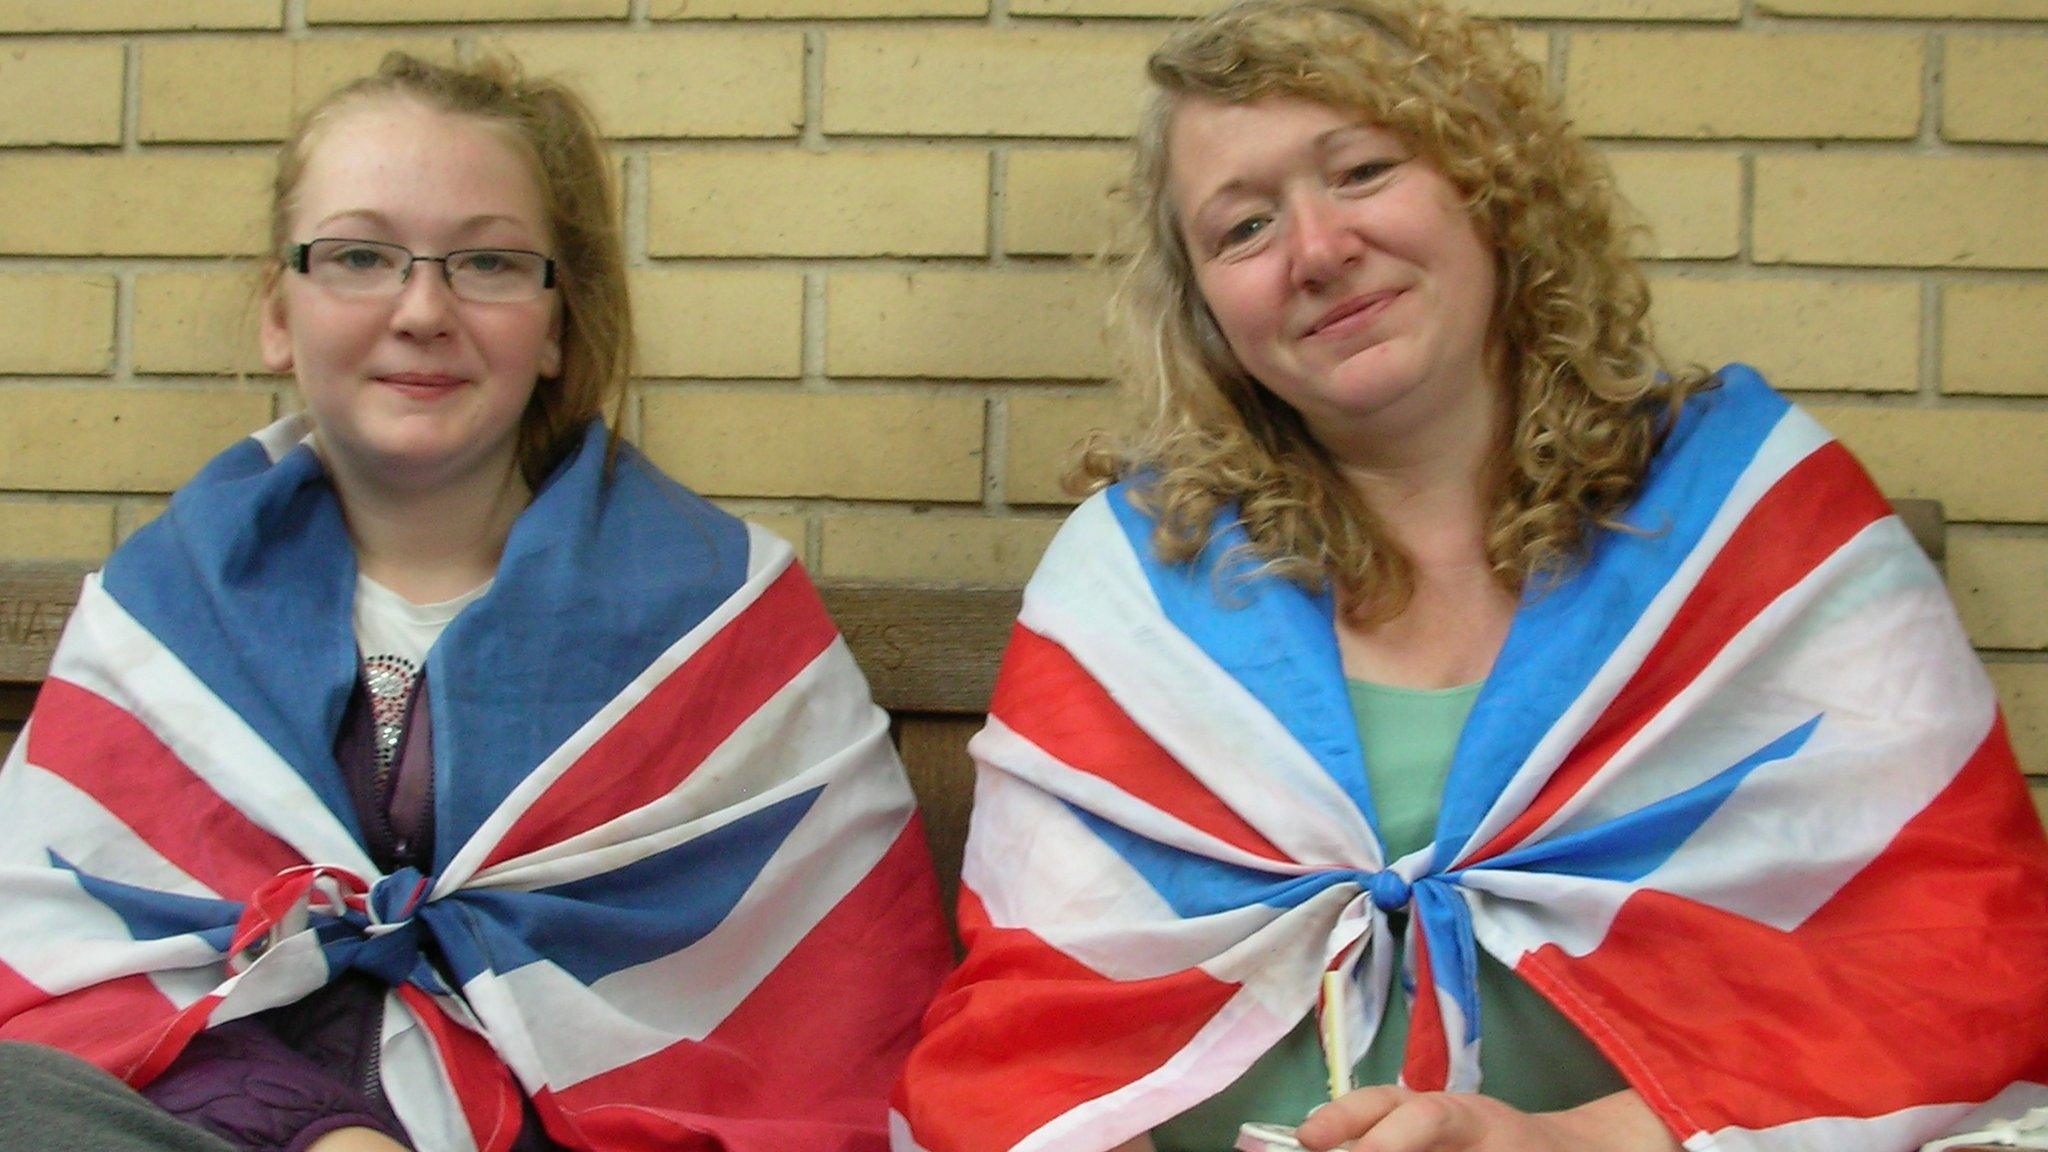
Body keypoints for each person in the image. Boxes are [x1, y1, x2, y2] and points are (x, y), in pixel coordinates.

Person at [892, 2, 2048, 1150]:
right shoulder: (1132, 580)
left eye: (1358, 170)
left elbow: (1950, 970)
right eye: (1240, 230)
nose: (1315, 252)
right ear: (1202, 313)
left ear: (1485, 185)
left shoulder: (1757, 522)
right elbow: (1026, 1038)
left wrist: (1568, 1145)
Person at [0, 53, 951, 1152]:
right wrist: (321, 1132)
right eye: (358, 255)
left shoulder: (724, 625)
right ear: (278, 311)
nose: (422, 309)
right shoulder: (162, 612)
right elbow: (61, 976)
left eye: (488, 263)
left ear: (554, 327)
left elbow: (827, 1028)